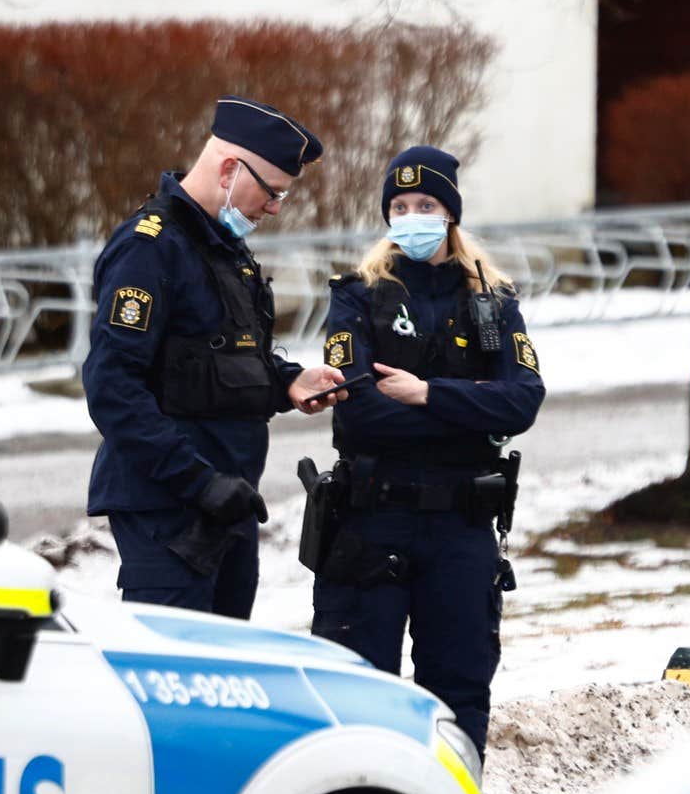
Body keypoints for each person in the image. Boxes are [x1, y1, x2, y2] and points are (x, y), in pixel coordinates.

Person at [306, 145, 544, 754]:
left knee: (460, 693)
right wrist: (467, 410)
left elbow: (522, 403)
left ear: (451, 214)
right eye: (401, 205)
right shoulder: (358, 295)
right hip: (371, 522)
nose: (412, 216)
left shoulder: (492, 300)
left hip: (460, 528)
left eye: (427, 204)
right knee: (358, 698)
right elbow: (358, 412)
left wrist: (424, 394)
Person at [84, 95, 346, 618]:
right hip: (170, 504)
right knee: (176, 677)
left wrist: (289, 382)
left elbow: (222, 357)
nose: (274, 207)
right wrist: (198, 483)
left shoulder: (222, 247)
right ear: (229, 169)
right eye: (271, 192)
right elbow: (113, 387)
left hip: (228, 501)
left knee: (224, 675)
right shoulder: (151, 247)